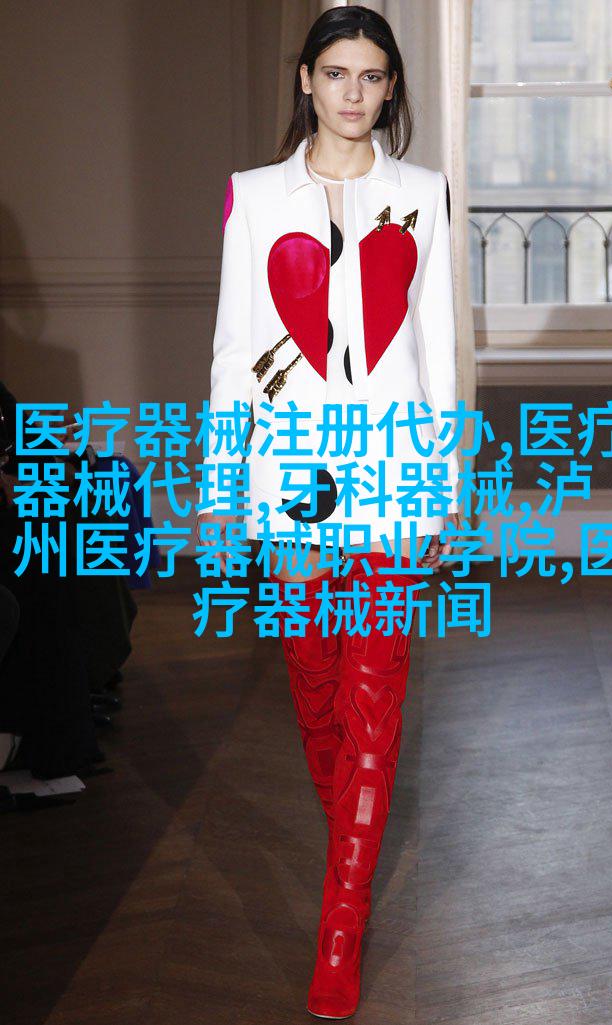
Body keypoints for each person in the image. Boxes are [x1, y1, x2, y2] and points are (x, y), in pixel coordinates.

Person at [196, 6, 461, 1017]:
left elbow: (435, 350)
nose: (355, 93)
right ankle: (352, 854)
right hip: (290, 487)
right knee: (316, 699)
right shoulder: (254, 195)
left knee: (373, 707)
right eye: (337, 72)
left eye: (373, 75)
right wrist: (224, 493)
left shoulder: (423, 193)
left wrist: (440, 490)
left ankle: (339, 928)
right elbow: (233, 354)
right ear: (305, 78)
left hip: (393, 477)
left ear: (391, 88)